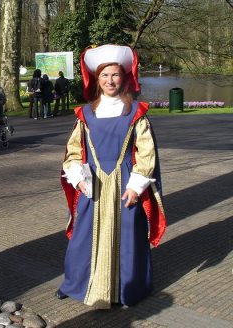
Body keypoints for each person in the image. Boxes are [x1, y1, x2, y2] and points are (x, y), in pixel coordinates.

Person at [57, 44, 167, 309]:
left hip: (126, 183)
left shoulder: (136, 113)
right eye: (104, 75)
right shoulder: (85, 114)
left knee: (128, 237)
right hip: (92, 183)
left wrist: (136, 186)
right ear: (97, 79)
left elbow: (146, 152)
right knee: (84, 235)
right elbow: (73, 152)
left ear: (124, 77)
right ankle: (76, 284)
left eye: (115, 75)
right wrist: (78, 178)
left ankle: (127, 291)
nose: (110, 80)